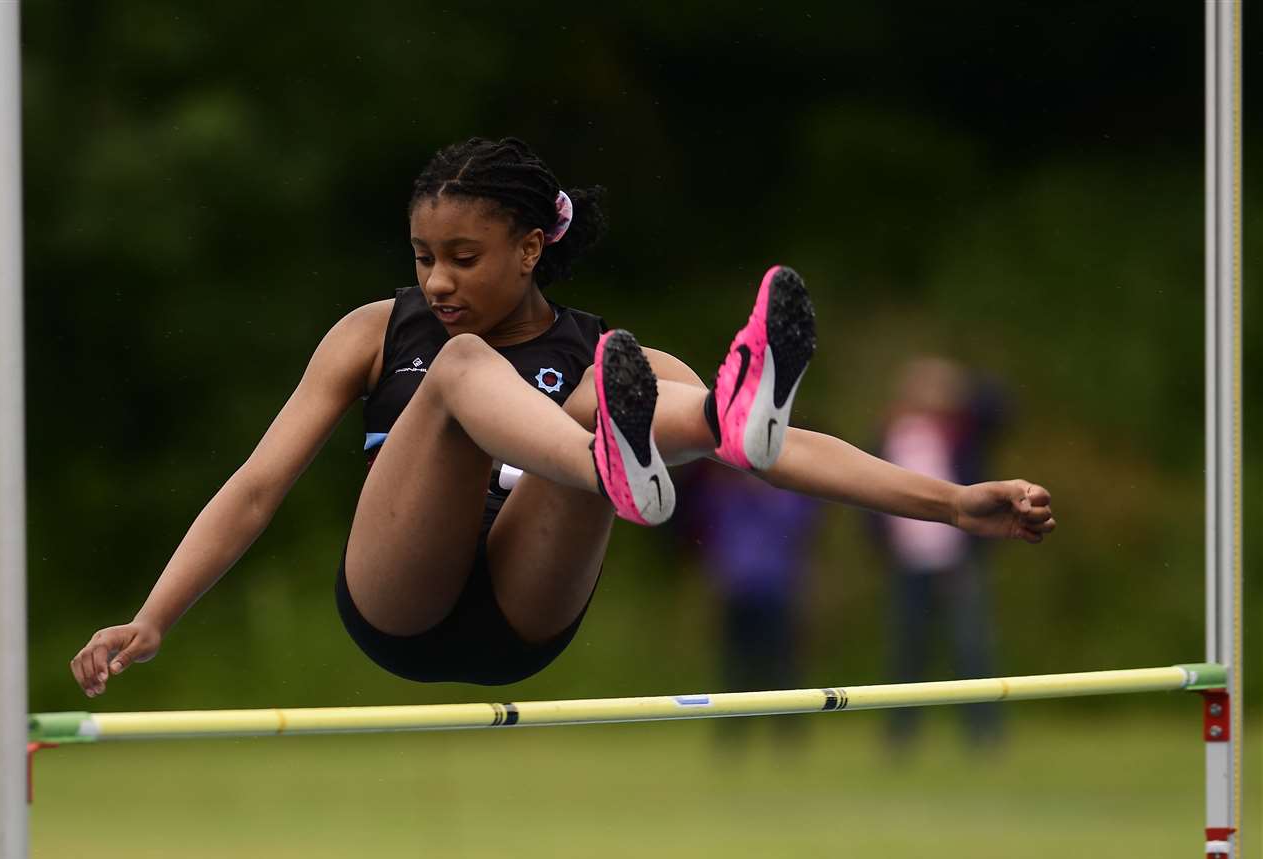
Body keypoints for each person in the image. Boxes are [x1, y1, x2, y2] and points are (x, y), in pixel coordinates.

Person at [70, 137, 1056, 694]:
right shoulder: (381, 333)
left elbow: (783, 452)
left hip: (525, 613)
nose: (438, 279)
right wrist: (156, 617)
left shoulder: (604, 358)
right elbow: (255, 487)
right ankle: (628, 458)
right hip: (398, 605)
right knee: (462, 369)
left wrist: (952, 503)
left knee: (617, 389)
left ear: (534, 248)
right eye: (424, 256)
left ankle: (697, 418)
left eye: (465, 256)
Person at [878, 358, 1009, 753]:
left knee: (971, 649)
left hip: (957, 559)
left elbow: (1001, 408)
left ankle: (984, 734)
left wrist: (958, 391)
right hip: (908, 560)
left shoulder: (961, 431)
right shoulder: (892, 432)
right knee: (908, 652)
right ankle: (900, 735)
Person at [678, 465, 819, 748]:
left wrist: (767, 496)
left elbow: (803, 523)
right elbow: (705, 525)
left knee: (782, 665)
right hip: (737, 588)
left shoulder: (784, 494)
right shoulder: (726, 494)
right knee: (735, 666)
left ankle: (788, 732)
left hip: (776, 588)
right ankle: (733, 732)